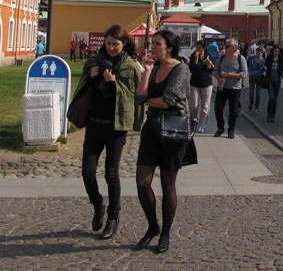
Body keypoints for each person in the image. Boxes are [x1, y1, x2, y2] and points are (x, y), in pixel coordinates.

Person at [77, 24, 143, 240]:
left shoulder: (130, 66)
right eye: (108, 43)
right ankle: (98, 204)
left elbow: (133, 96)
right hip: (94, 125)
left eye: (116, 44)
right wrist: (91, 75)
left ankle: (113, 217)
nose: (111, 47)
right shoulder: (94, 62)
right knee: (87, 172)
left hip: (116, 127)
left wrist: (113, 84)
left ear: (124, 44)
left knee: (111, 173)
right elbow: (83, 88)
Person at [135, 30, 197, 254]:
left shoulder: (181, 68)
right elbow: (138, 97)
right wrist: (147, 72)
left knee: (167, 184)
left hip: (172, 130)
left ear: (169, 48)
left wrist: (147, 101)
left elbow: (168, 100)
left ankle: (165, 233)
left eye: (157, 44)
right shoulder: (154, 68)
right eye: (152, 43)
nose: (152, 47)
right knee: (142, 182)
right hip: (151, 129)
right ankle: (152, 226)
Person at [213, 38, 247, 138]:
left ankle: (231, 129)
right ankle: (220, 127)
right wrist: (219, 78)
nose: (225, 47)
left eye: (227, 46)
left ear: (233, 48)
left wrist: (231, 75)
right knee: (218, 108)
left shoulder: (241, 59)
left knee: (233, 110)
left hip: (235, 88)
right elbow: (215, 70)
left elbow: (244, 73)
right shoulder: (222, 57)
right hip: (222, 87)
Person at [187, 40, 214, 133]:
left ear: (204, 48)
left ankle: (202, 125)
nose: (198, 50)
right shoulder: (193, 56)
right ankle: (193, 120)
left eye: (199, 48)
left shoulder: (208, 57)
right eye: (197, 47)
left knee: (205, 106)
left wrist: (210, 65)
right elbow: (191, 69)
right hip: (195, 83)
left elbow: (211, 71)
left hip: (206, 83)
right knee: (193, 105)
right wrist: (195, 59)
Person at [263, 45, 283, 122]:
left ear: (279, 52)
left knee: (275, 98)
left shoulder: (281, 60)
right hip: (270, 80)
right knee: (271, 97)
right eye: (275, 51)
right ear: (273, 51)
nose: (276, 53)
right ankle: (269, 113)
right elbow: (264, 67)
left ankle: (273, 114)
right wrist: (265, 69)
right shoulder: (269, 59)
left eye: (277, 51)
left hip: (277, 81)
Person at [247, 46, 266, 114]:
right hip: (252, 78)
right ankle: (251, 103)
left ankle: (256, 108)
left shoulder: (262, 60)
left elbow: (260, 70)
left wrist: (251, 73)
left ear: (261, 53)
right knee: (251, 92)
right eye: (257, 53)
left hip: (259, 78)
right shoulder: (251, 57)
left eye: (259, 53)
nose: (258, 54)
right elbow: (247, 64)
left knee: (258, 93)